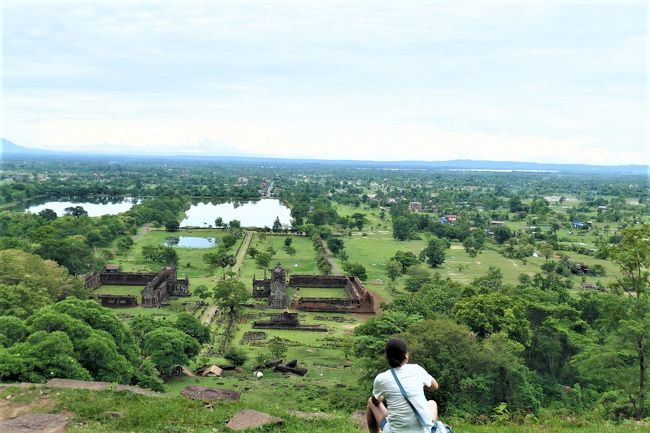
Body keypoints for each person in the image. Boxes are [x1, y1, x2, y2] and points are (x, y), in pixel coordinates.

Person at [366, 338, 440, 433]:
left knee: (370, 402)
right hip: (424, 429)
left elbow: (375, 401)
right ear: (406, 356)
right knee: (432, 403)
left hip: (396, 431)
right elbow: (435, 387)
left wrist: (386, 393)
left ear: (387, 358)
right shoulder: (417, 369)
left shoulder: (381, 379)